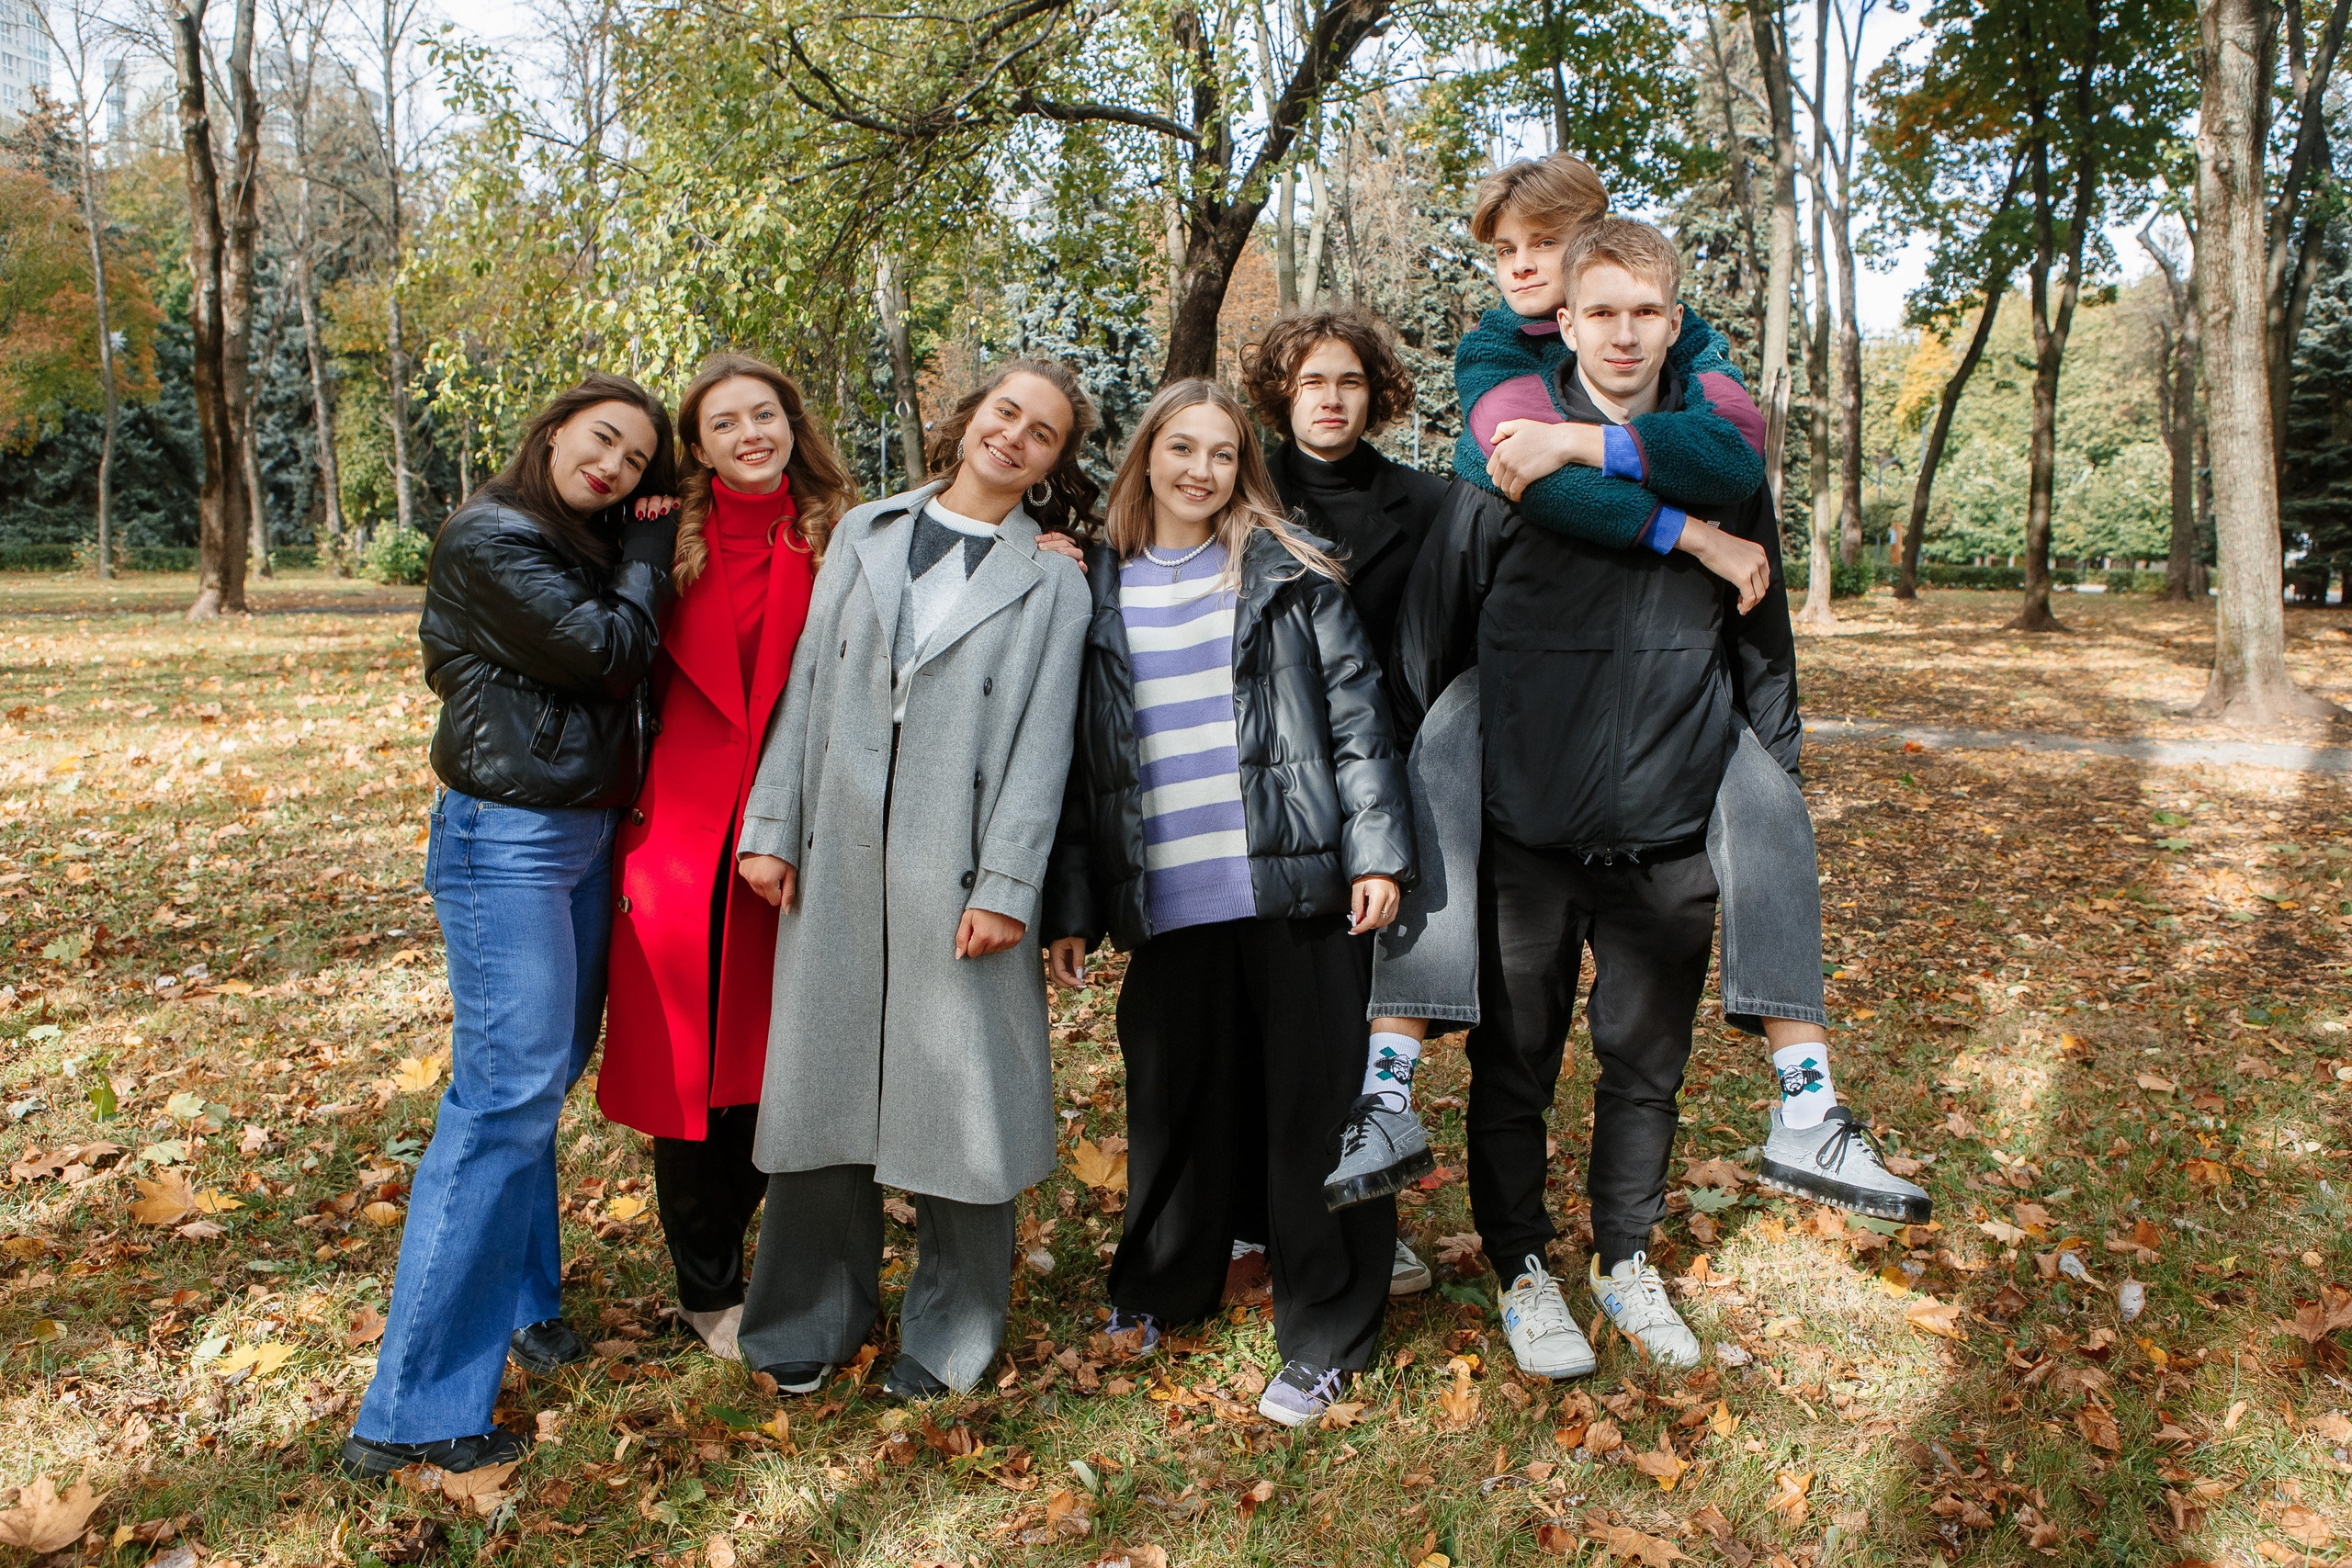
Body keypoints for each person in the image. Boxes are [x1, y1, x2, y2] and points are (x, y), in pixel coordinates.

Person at [1396, 220, 1912, 1386]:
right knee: (1514, 1064)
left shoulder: (1716, 455)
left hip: (1669, 826)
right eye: (1602, 313)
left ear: (1673, 322)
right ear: (1563, 322)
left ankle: (1623, 1256)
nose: (1624, 333)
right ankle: (1523, 1267)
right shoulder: (1503, 465)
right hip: (1528, 825)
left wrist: (1764, 788)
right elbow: (1434, 643)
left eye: (1646, 313)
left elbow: (1763, 640)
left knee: (1645, 1064)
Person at [1044, 378, 1415, 1429]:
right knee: (1174, 1107)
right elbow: (1077, 765)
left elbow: (1357, 719)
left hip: (1294, 880)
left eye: (1221, 453)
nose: (1200, 470)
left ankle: (1328, 1331)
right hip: (1166, 893)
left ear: (1241, 468)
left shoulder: (1287, 571)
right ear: (1146, 455)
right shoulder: (1091, 581)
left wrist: (1376, 851)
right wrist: (1072, 903)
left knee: (1315, 1113)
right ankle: (1161, 1288)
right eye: (1181, 448)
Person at [730, 361, 1095, 1401]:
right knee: (821, 1088)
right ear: (969, 417)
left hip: (961, 865)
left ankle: (951, 1335)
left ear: (1054, 462)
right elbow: (806, 682)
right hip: (839, 852)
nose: (1016, 437)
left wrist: (1009, 884)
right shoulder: (865, 533)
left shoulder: (1054, 578)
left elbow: (1044, 746)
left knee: (963, 1101)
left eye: (1043, 433)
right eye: (1005, 413)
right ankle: (806, 1313)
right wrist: (773, 825)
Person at [342, 374, 678, 1480]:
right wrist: (642, 558)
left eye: (634, 462)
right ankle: (413, 1413)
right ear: (553, 431)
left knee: (541, 1072)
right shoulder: (492, 536)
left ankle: (528, 1299)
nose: (615, 469)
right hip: (509, 839)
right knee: (502, 1098)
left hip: (578, 836)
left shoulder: (570, 539)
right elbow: (610, 652)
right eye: (603, 442)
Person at [597, 355, 855, 1362]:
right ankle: (707, 1283)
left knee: (784, 1060)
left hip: (806, 831)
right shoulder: (656, 533)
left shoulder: (847, 533)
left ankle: (795, 1255)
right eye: (724, 423)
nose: (751, 433)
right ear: (695, 447)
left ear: (792, 423)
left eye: (766, 414)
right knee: (694, 1073)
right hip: (683, 838)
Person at [1239, 307, 1448, 1295]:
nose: (1330, 398)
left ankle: (1366, 1210)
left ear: (1376, 394)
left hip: (1375, 773)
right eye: (1311, 381)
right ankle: (1251, 1216)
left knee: (1358, 1016)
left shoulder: (1427, 504)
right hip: (1258, 783)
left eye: (1349, 382)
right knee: (1258, 1012)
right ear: (1281, 392)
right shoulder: (1238, 490)